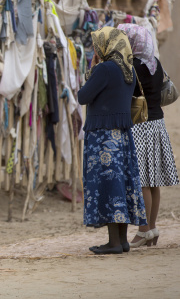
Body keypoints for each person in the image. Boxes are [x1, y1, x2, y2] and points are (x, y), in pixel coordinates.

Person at [78, 26, 147, 255]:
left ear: (106, 46)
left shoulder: (105, 69)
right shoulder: (128, 69)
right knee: (122, 185)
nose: (95, 49)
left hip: (103, 136)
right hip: (123, 138)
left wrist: (93, 68)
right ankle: (123, 241)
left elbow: (83, 96)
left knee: (108, 186)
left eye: (98, 45)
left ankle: (113, 243)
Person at [117, 23, 179, 248]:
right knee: (153, 180)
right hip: (157, 124)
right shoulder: (155, 62)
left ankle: (143, 231)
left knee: (143, 179)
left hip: (140, 126)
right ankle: (152, 228)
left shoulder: (132, 66)